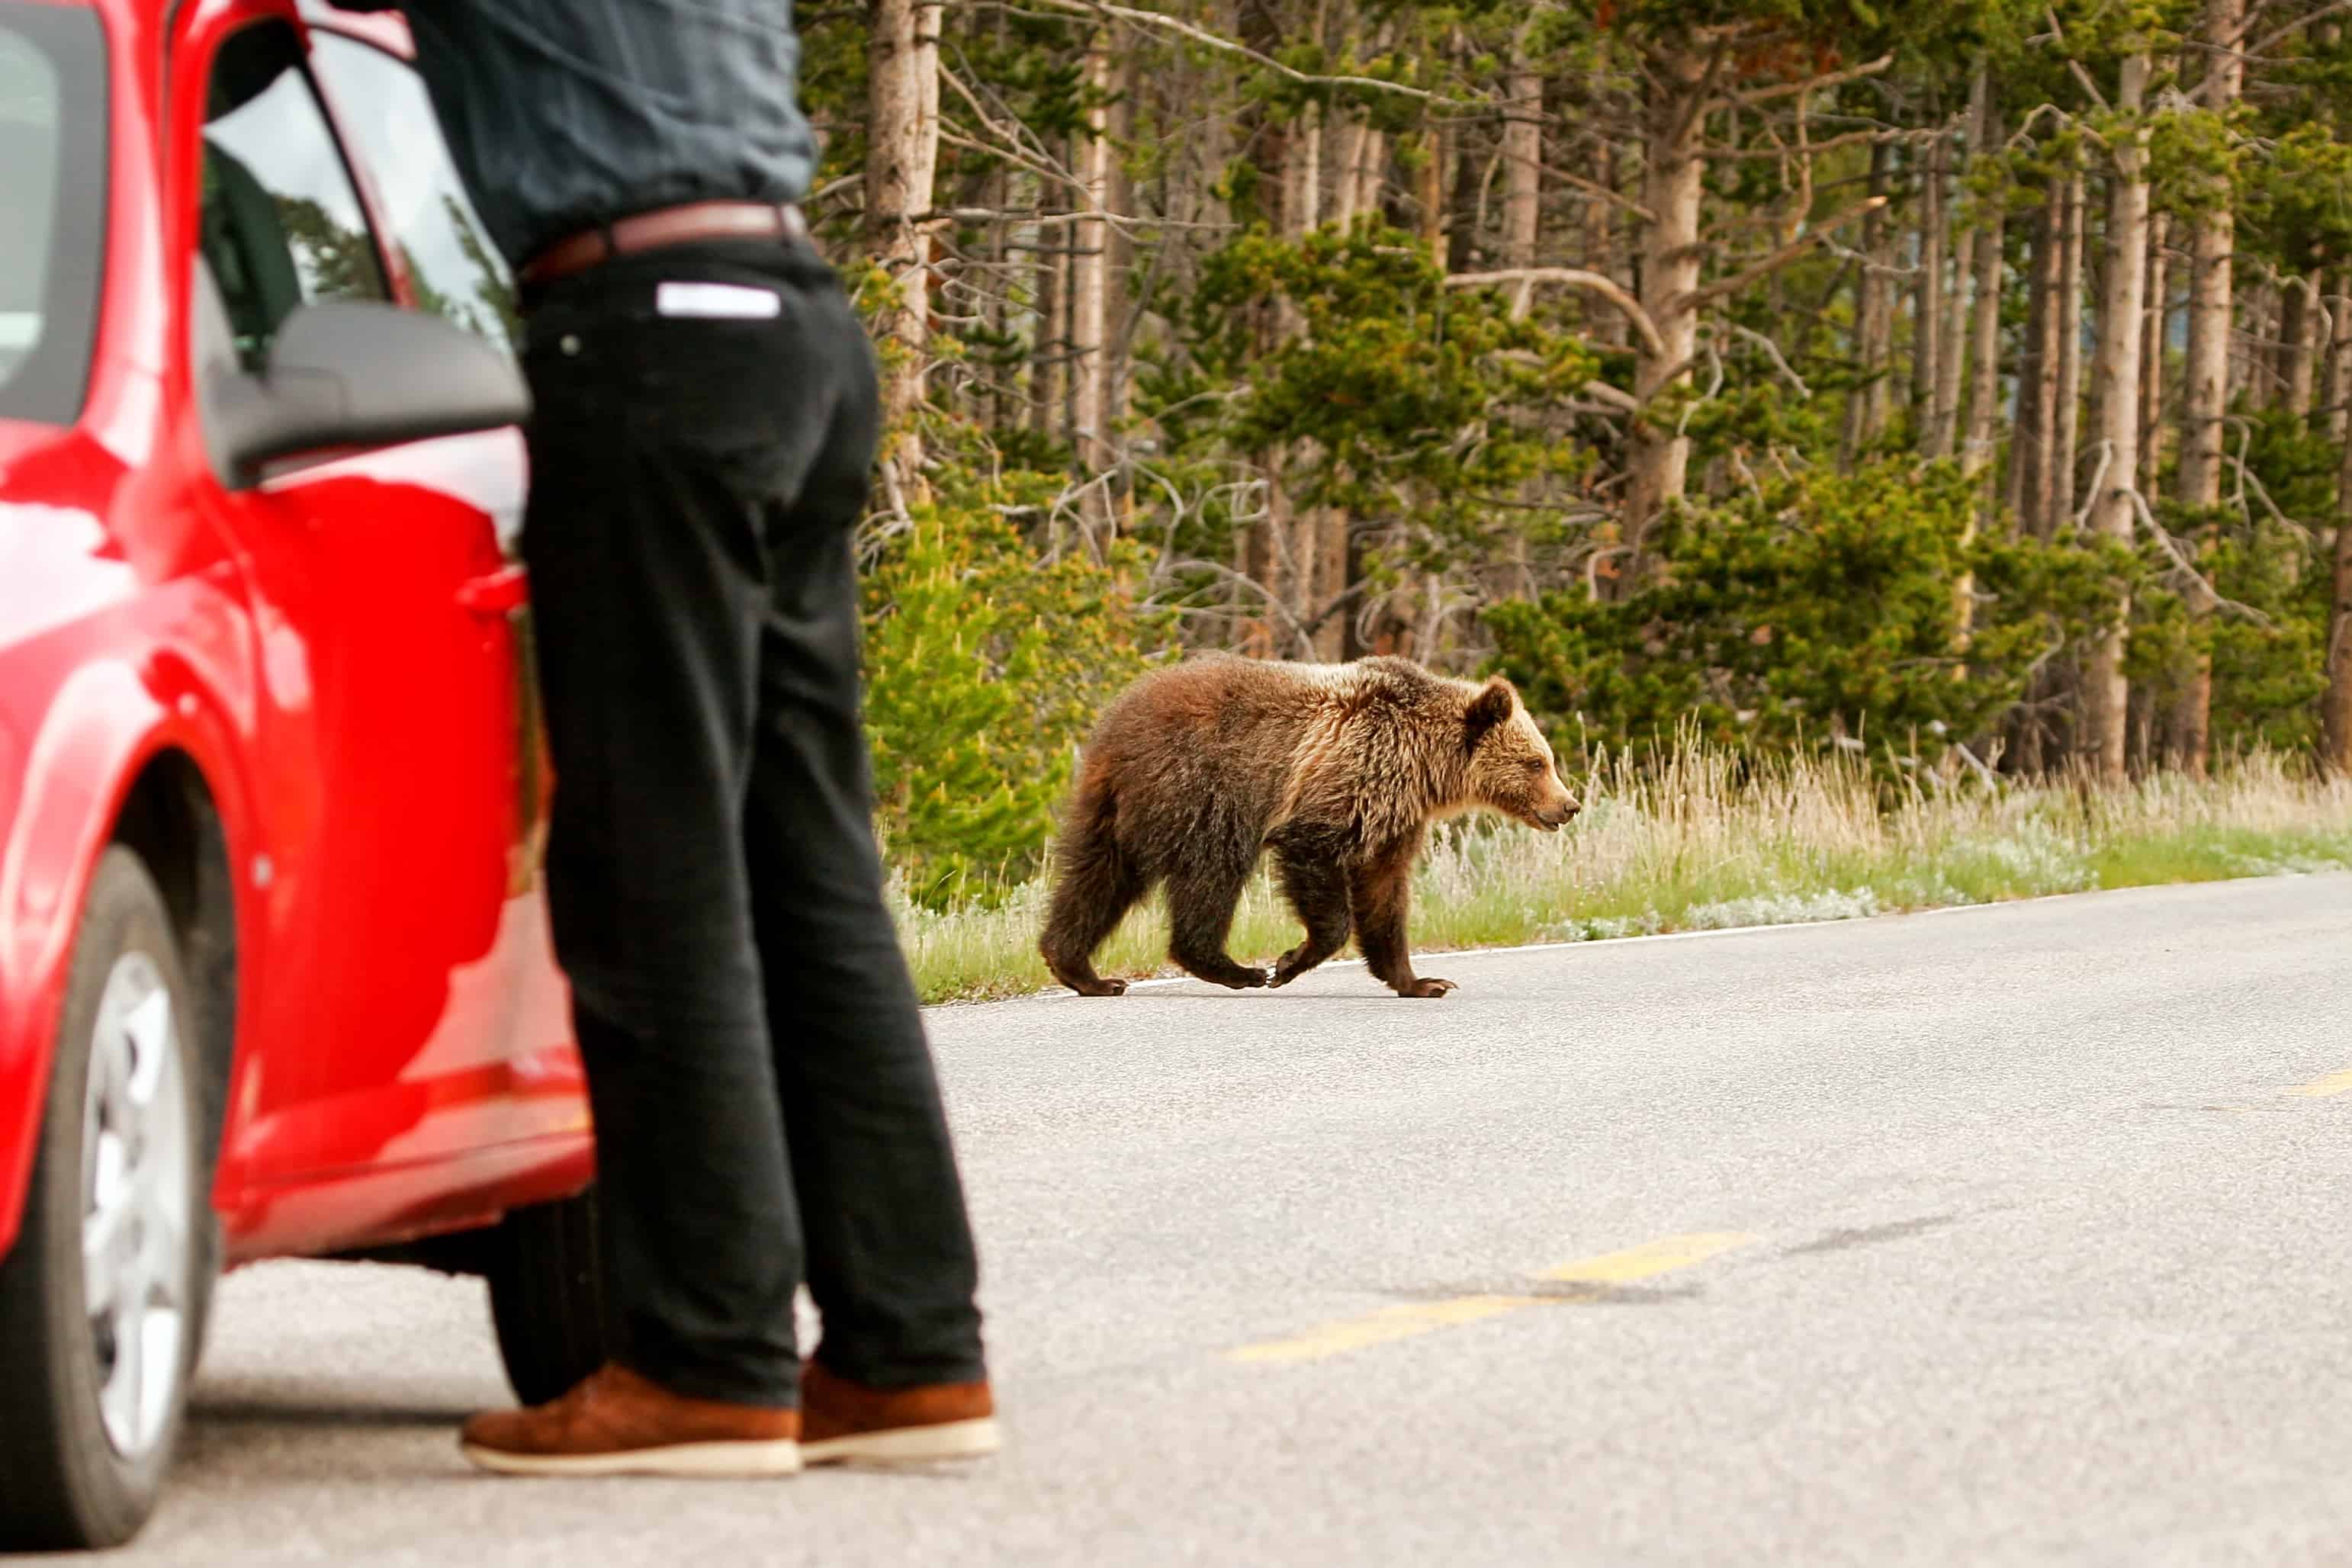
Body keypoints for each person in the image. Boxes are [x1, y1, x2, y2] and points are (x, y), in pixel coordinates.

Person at [329, 0, 995, 1476]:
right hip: (796, 326)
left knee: (651, 868)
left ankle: (708, 1358)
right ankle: (909, 1352)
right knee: (809, 869)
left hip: (649, 337)